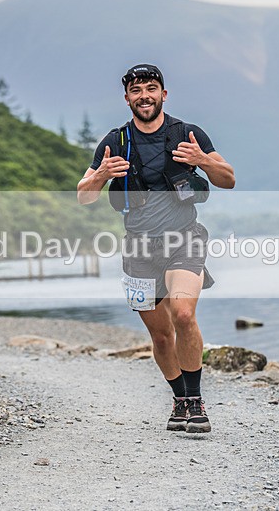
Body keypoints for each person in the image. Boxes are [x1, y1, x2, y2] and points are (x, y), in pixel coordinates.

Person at [77, 64, 235, 433]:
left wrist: (203, 161)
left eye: (151, 88)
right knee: (161, 334)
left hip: (184, 238)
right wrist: (101, 174)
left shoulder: (187, 134)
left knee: (183, 314)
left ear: (164, 94)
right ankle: (179, 399)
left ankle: (195, 401)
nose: (144, 95)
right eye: (136, 90)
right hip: (138, 247)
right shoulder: (114, 142)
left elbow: (228, 179)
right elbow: (84, 197)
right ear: (127, 98)